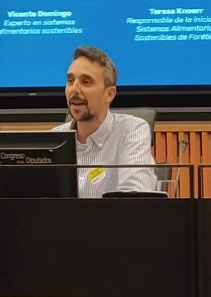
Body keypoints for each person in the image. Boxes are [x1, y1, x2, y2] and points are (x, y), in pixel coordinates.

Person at [53, 46, 156, 197]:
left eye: (86, 82)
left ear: (109, 94)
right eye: (70, 80)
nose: (74, 89)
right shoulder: (54, 139)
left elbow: (135, 197)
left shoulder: (132, 130)